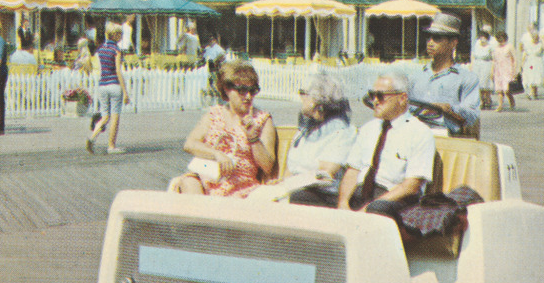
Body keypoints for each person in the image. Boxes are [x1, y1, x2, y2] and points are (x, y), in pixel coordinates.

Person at [290, 71, 436, 218]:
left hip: (392, 198)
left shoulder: (419, 132)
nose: (375, 101)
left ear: (402, 98)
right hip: (360, 195)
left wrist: (368, 208)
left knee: (377, 209)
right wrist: (343, 204)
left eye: (381, 96)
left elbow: (411, 186)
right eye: (372, 95)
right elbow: (353, 171)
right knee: (301, 197)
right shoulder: (369, 129)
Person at [173, 61, 276, 197]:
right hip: (208, 178)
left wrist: (253, 139)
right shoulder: (214, 114)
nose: (248, 96)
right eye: (242, 90)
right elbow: (190, 144)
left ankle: (203, 217)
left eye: (252, 90)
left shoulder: (262, 119)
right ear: (226, 89)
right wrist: (217, 154)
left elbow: (268, 166)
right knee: (188, 183)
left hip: (240, 186)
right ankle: (199, 217)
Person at [280, 72, 358, 205]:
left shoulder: (342, 131)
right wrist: (280, 186)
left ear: (318, 99)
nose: (300, 97)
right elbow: (290, 168)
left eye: (303, 92)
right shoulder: (305, 129)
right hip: (296, 189)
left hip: (323, 195)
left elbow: (324, 174)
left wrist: (288, 186)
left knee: (293, 198)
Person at [407, 12, 481, 137]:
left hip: (448, 140)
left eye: (437, 38)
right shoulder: (415, 76)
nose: (430, 42)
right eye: (429, 37)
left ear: (453, 43)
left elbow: (472, 115)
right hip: (414, 136)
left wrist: (448, 108)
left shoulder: (466, 78)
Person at [86, 22, 131, 154]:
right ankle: (111, 146)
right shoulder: (116, 50)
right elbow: (118, 70)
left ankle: (92, 137)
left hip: (102, 85)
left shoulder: (100, 49)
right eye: (120, 34)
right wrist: (125, 91)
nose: (121, 36)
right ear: (116, 35)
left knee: (105, 116)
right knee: (115, 116)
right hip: (114, 84)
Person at [491, 30, 518, 111]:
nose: (500, 41)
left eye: (501, 39)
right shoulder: (496, 48)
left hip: (507, 70)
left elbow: (515, 59)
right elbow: (494, 61)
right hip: (498, 70)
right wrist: (492, 71)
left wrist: (515, 71)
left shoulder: (509, 46)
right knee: (499, 89)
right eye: (498, 39)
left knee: (506, 89)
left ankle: (512, 101)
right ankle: (500, 105)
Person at [471, 27, 495, 110]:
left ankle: (487, 100)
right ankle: (481, 101)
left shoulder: (490, 46)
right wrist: (471, 65)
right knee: (478, 84)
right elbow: (473, 55)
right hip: (477, 64)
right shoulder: (477, 44)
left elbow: (493, 59)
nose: (482, 40)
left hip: (486, 64)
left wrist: (493, 69)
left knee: (485, 84)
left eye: (484, 38)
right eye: (481, 38)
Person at [519, 27, 544, 99]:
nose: (535, 38)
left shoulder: (540, 44)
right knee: (531, 75)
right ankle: (532, 93)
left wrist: (543, 40)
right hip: (530, 63)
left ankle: (534, 93)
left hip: (538, 62)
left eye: (537, 37)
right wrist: (522, 63)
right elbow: (525, 53)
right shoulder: (528, 44)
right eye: (534, 37)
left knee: (536, 77)